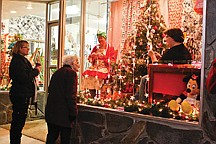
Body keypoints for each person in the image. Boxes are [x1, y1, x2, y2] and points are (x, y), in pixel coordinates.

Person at [138, 28, 192, 101]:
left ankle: (142, 102)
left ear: (173, 38)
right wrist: (160, 58)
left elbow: (156, 67)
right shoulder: (184, 50)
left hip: (169, 81)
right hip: (181, 82)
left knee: (145, 79)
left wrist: (152, 56)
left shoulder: (171, 52)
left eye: (167, 37)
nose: (165, 39)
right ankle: (136, 98)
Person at [9, 40, 41, 144]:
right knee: (18, 121)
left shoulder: (21, 60)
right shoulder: (18, 61)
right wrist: (36, 71)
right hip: (20, 94)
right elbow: (24, 77)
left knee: (19, 120)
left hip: (22, 93)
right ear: (19, 48)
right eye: (25, 47)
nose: (28, 49)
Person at [45, 55, 79, 144]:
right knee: (65, 139)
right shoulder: (71, 74)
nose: (78, 65)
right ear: (72, 63)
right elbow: (71, 94)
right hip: (63, 113)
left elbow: (50, 89)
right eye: (77, 62)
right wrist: (73, 111)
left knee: (51, 136)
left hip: (52, 111)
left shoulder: (57, 72)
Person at [82, 31, 116, 98]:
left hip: (104, 67)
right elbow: (90, 58)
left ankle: (101, 95)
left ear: (105, 38)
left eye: (101, 38)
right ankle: (92, 94)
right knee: (88, 75)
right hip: (95, 66)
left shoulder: (110, 48)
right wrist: (92, 56)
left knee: (97, 76)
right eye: (98, 38)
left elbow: (112, 61)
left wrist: (103, 57)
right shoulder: (96, 47)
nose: (100, 40)